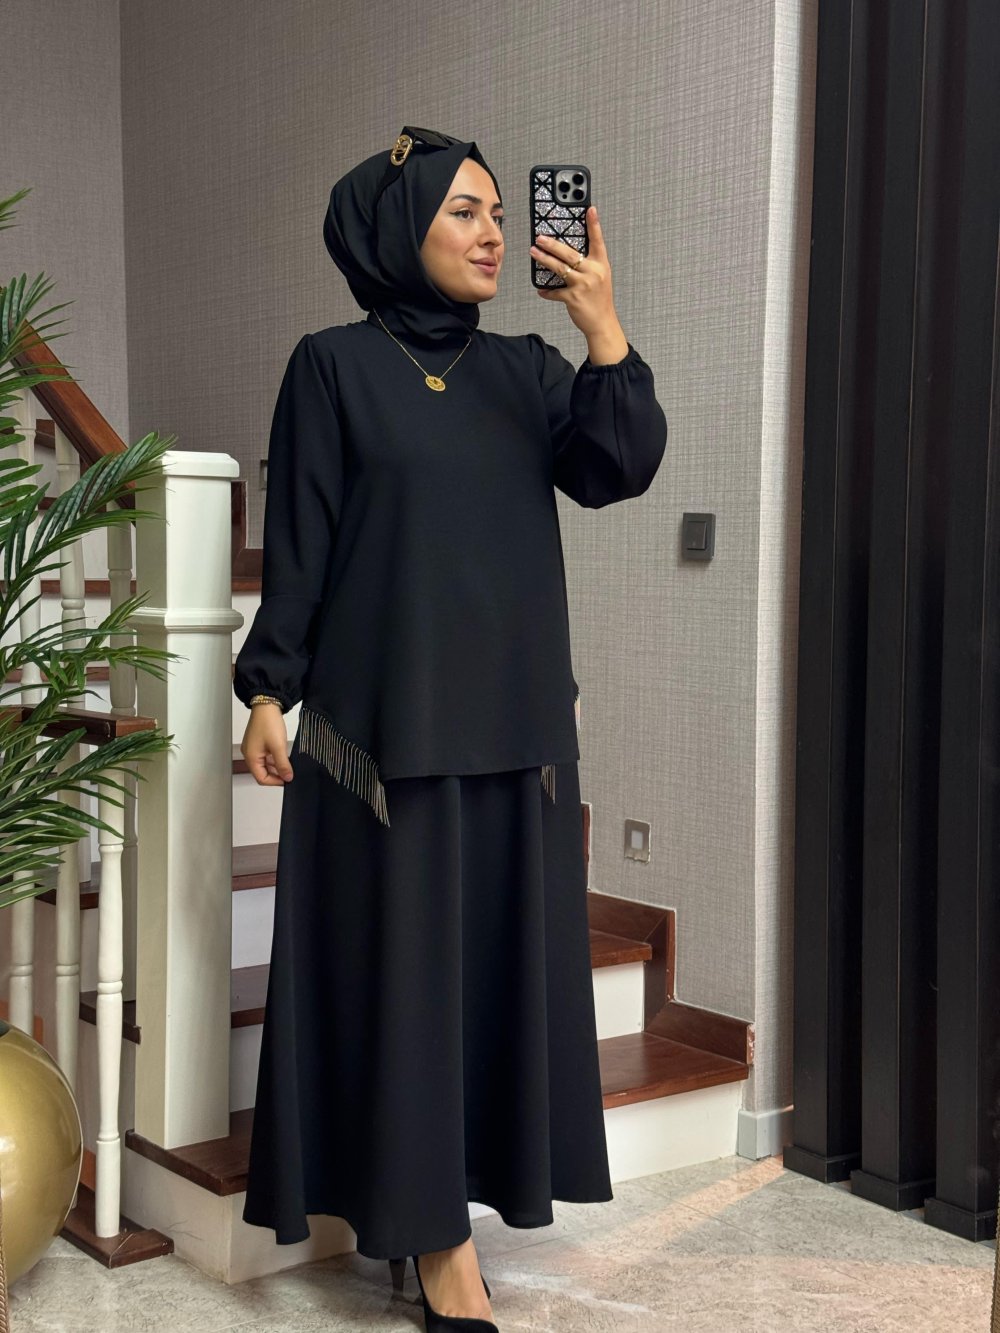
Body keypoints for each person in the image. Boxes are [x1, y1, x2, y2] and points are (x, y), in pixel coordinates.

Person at [233, 125, 668, 1331]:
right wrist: (267, 688)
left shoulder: (529, 370)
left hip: (515, 731)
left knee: (486, 988)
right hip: (385, 736)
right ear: (398, 230)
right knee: (404, 988)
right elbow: (303, 541)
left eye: (496, 214)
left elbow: (619, 465)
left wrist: (601, 326)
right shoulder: (332, 367)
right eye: (464, 213)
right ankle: (435, 1248)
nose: (492, 234)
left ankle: (444, 1218)